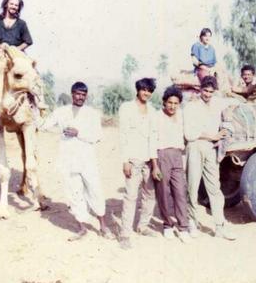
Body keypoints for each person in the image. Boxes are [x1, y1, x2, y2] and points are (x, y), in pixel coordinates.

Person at [39, 82, 114, 241]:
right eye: (77, 94)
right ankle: (82, 228)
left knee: (95, 191)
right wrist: (36, 109)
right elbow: (44, 126)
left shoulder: (92, 114)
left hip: (87, 161)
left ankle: (103, 226)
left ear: (86, 96)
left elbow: (97, 136)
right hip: (69, 161)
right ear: (72, 94)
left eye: (83, 94)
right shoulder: (61, 112)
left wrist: (78, 133)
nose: (80, 97)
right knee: (75, 194)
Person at [183, 76, 236, 240]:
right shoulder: (190, 106)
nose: (207, 94)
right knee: (192, 186)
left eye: (211, 92)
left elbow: (235, 102)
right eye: (205, 90)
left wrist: (229, 112)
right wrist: (213, 136)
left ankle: (219, 226)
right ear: (200, 89)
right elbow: (189, 134)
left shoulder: (217, 104)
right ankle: (191, 221)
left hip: (211, 149)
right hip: (195, 147)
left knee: (214, 187)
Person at [118, 78, 161, 249]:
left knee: (150, 195)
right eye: (144, 90)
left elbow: (153, 138)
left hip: (148, 161)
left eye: (150, 91)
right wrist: (125, 161)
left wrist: (155, 164)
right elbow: (123, 136)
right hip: (133, 159)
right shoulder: (127, 108)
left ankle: (143, 226)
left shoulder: (152, 111)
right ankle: (125, 234)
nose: (147, 93)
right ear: (138, 90)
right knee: (130, 197)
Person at [153, 86, 191, 242]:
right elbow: (152, 141)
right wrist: (155, 165)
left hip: (177, 155)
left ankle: (183, 227)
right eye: (170, 103)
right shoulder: (156, 117)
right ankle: (168, 225)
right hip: (162, 155)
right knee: (163, 192)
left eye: (176, 103)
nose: (172, 106)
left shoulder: (181, 115)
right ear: (164, 102)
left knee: (180, 192)